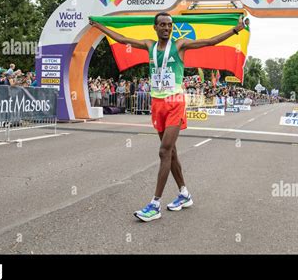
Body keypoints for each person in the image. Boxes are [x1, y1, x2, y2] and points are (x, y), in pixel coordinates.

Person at [90, 12, 246, 222]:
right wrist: (100, 27)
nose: (166, 28)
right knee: (170, 151)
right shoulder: (149, 45)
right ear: (155, 27)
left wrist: (235, 29)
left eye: (169, 25)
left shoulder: (180, 45)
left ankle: (155, 204)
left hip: (174, 103)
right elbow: (122, 39)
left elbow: (209, 41)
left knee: (164, 151)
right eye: (162, 25)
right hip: (157, 103)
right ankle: (184, 194)